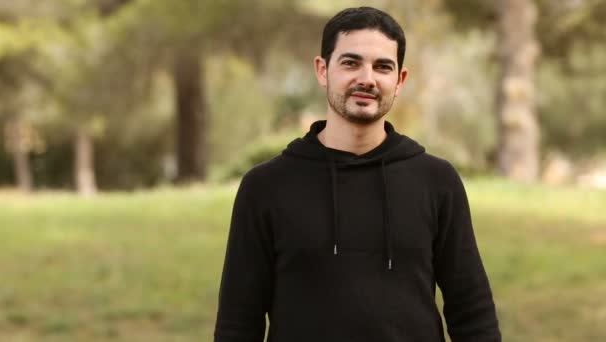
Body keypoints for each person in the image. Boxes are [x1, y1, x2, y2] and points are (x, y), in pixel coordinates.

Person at [214, 6, 501, 342]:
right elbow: (238, 323)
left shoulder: (436, 182)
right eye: (351, 63)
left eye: (382, 67)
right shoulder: (265, 187)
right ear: (322, 70)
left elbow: (472, 313)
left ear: (399, 80)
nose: (367, 78)